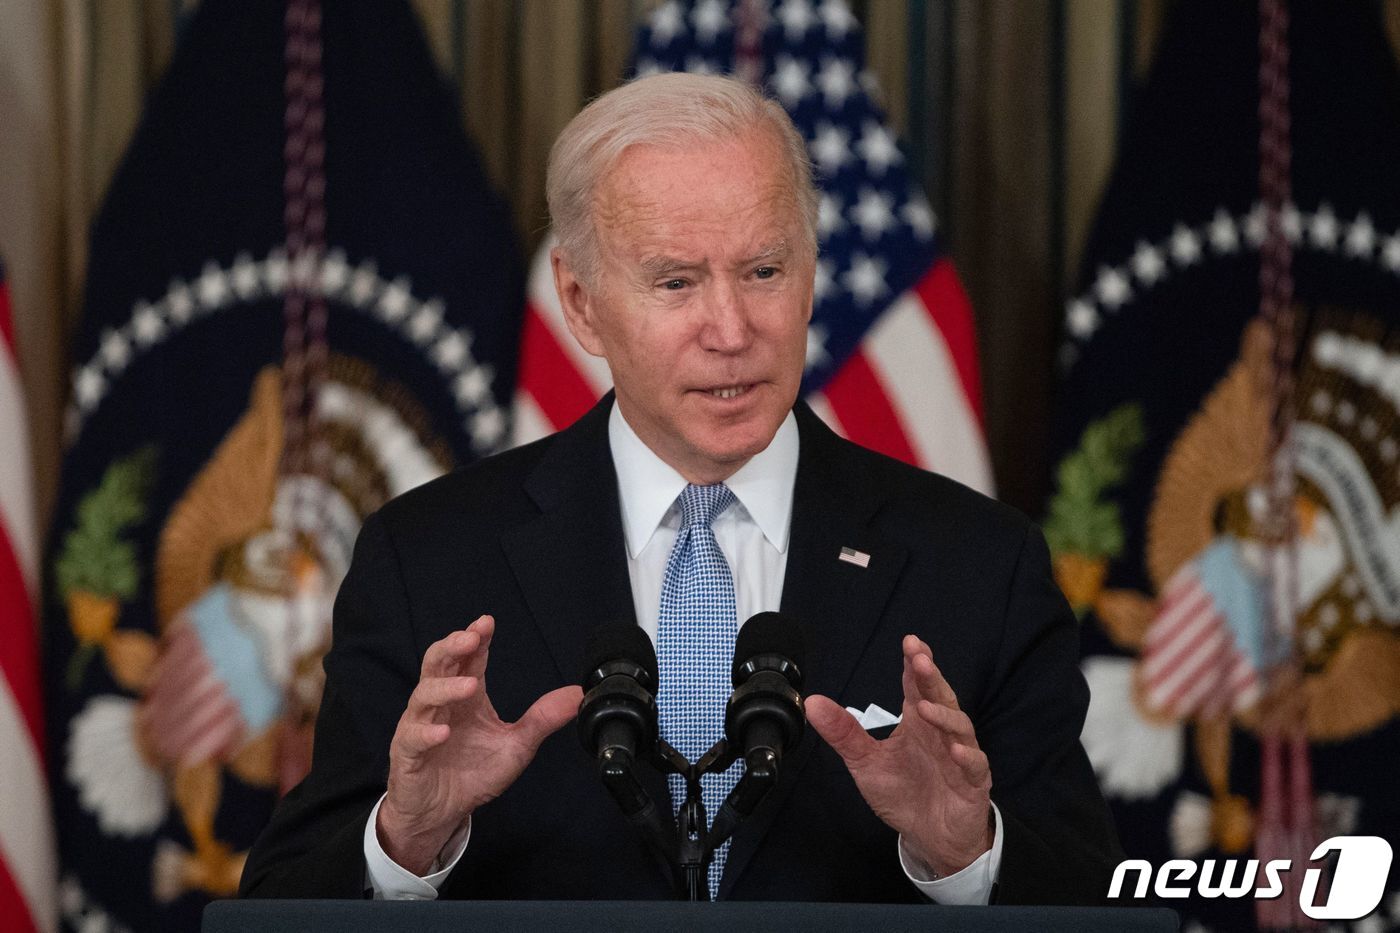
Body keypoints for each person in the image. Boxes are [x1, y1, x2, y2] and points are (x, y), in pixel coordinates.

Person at [240, 72, 1122, 904]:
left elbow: (1096, 895)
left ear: (813, 277)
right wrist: (408, 838)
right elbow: (282, 898)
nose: (731, 329)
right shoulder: (427, 559)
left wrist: (967, 855)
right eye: (676, 281)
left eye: (764, 271)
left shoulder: (978, 563)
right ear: (580, 303)